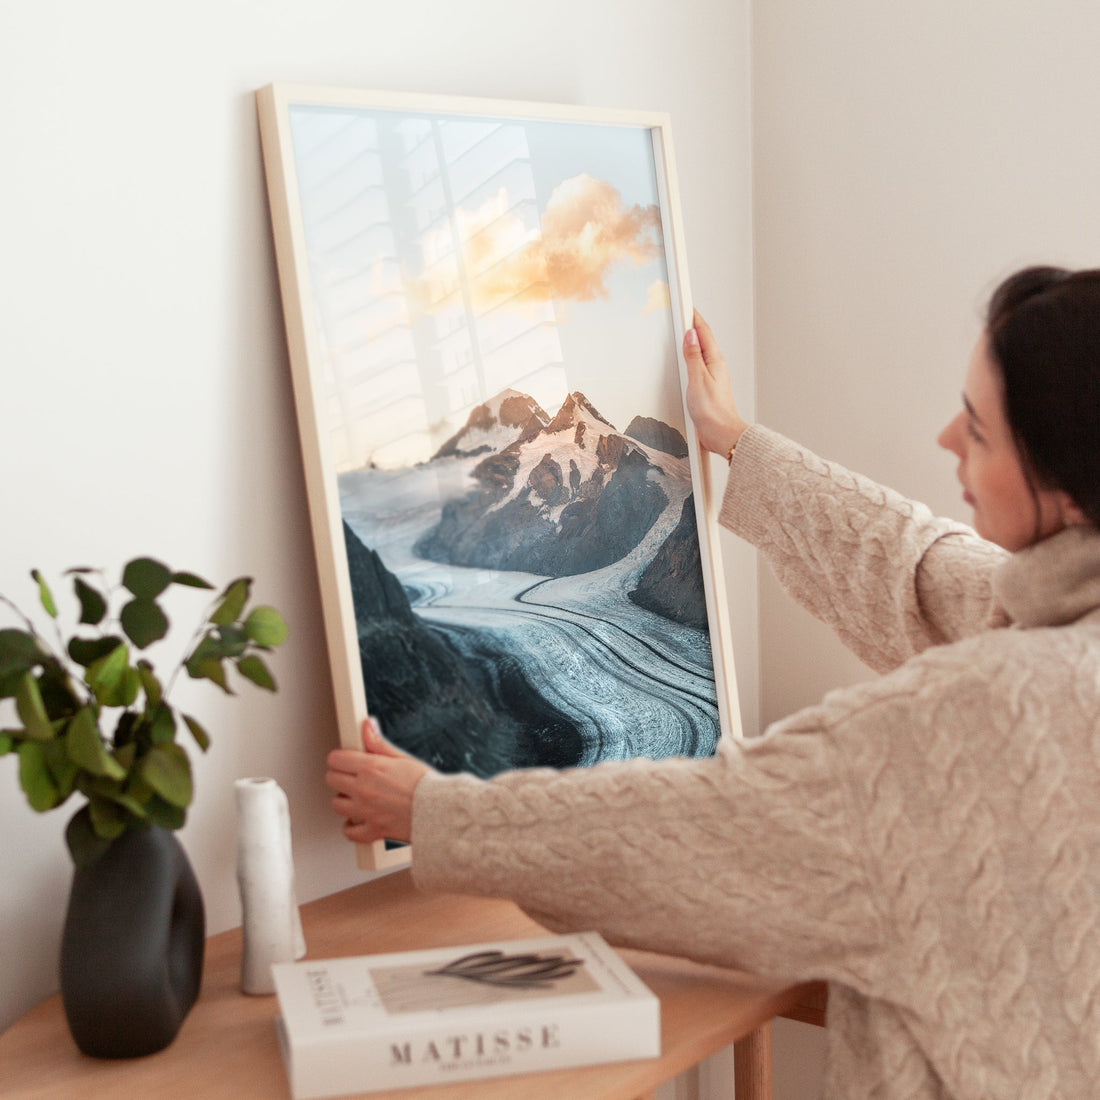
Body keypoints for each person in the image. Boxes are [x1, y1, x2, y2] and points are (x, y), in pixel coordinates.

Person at [325, 266, 1100, 1099]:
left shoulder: (979, 717)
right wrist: (735, 440)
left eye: (980, 431)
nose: (948, 437)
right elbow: (919, 569)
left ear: (1065, 486)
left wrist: (435, 812)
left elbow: (709, 829)